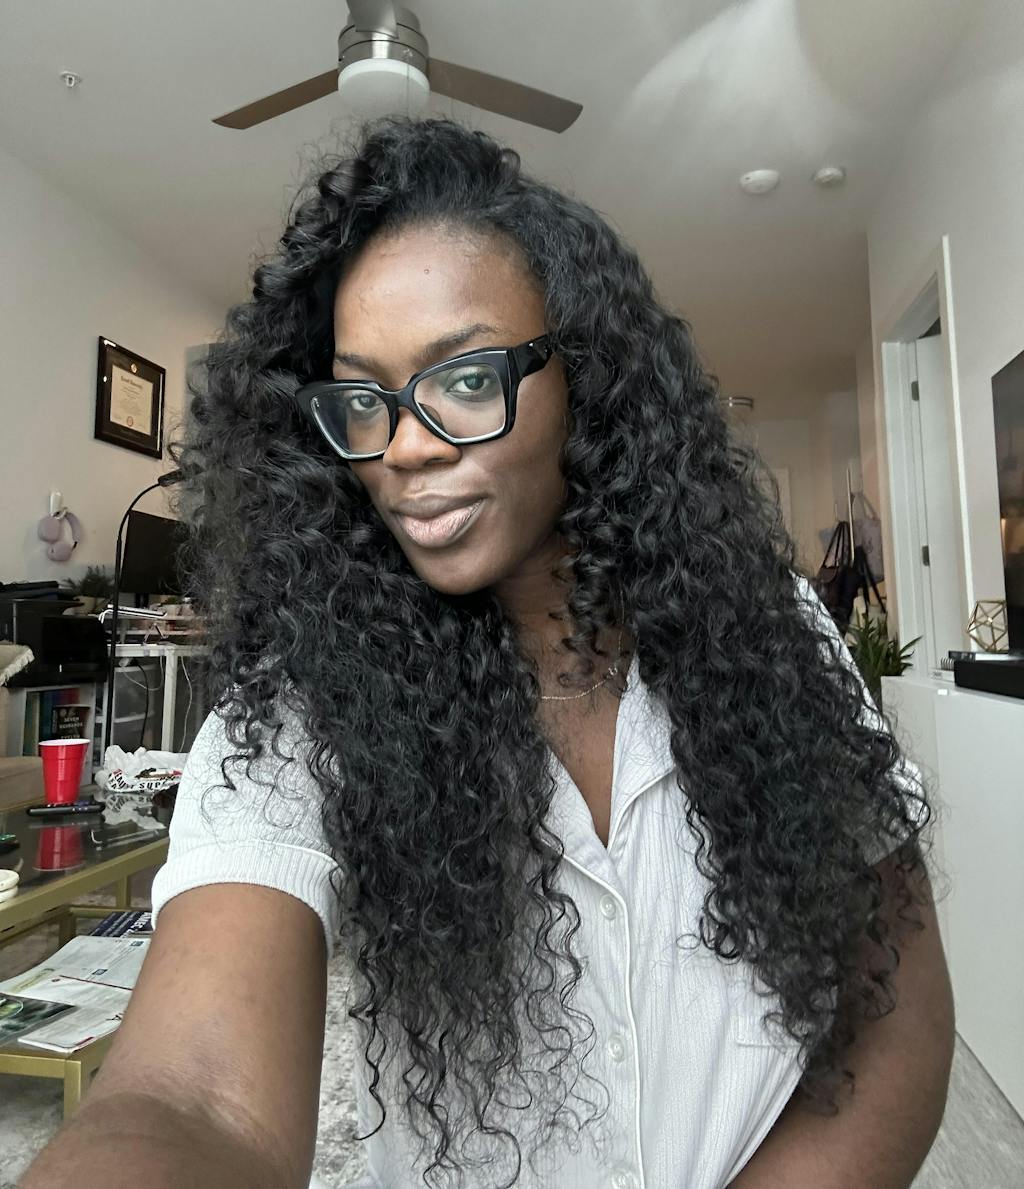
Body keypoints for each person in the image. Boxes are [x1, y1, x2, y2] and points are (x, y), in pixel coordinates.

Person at [22, 117, 953, 1189]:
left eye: (466, 379)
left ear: (583, 379)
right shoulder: (300, 711)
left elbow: (895, 1009)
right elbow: (190, 1099)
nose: (406, 446)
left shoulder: (769, 626)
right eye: (363, 400)